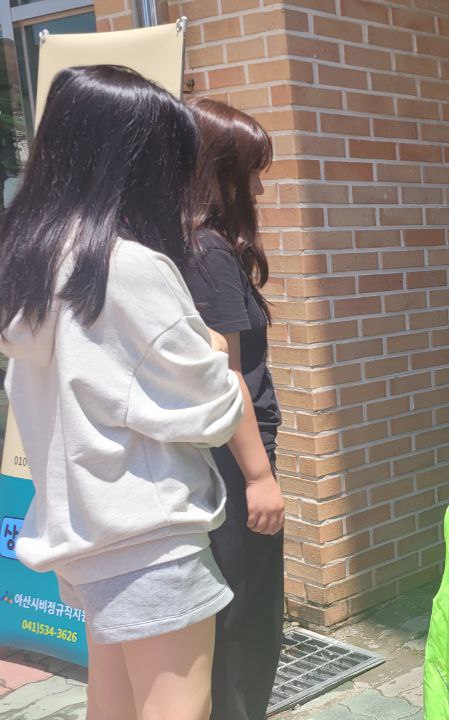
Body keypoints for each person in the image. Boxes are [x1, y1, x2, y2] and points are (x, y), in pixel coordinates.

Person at [0, 66, 243, 719]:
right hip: (150, 536)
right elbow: (214, 408)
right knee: (177, 710)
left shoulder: (30, 264)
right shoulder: (128, 267)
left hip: (84, 535)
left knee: (112, 705)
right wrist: (215, 350)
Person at [182, 97, 285, 720]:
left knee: (229, 616)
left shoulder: (177, 241)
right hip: (233, 463)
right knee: (246, 619)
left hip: (212, 461)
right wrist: (260, 477)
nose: (256, 188)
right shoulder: (208, 251)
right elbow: (229, 377)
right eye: (249, 172)